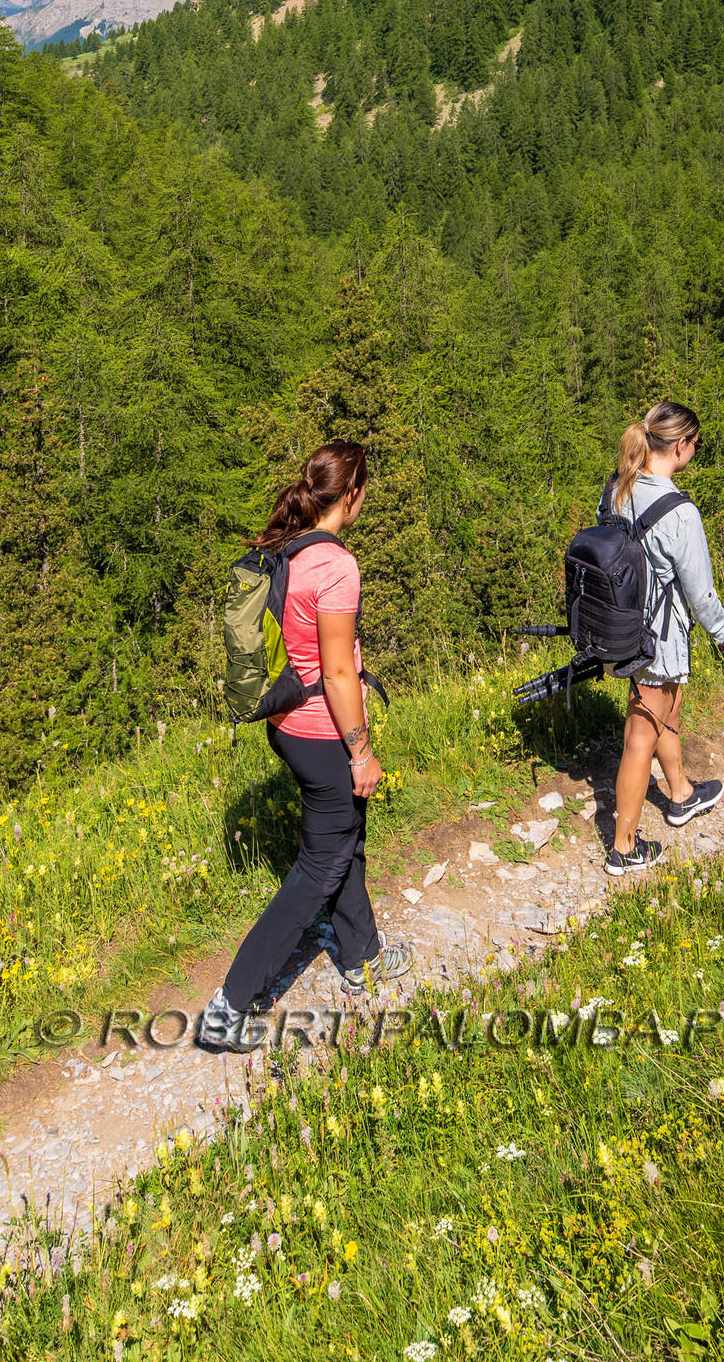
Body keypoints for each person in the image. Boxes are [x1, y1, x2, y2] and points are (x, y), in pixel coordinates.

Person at [199, 440, 411, 1050]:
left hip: (286, 724)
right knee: (318, 866)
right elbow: (340, 672)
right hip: (324, 733)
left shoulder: (283, 549)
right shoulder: (338, 567)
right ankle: (229, 1007)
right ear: (351, 495)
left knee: (344, 838)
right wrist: (361, 750)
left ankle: (360, 955)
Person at [603, 401, 724, 875]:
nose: (695, 450)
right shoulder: (680, 513)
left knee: (668, 708)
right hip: (658, 634)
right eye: (695, 443)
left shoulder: (619, 488)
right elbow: (700, 594)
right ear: (679, 446)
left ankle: (679, 794)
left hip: (623, 624)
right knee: (641, 733)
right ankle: (623, 847)